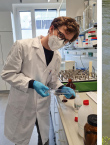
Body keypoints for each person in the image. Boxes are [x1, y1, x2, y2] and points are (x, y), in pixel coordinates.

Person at [1, 17, 78, 145]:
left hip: (42, 105)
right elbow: (7, 73)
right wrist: (32, 83)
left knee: (44, 139)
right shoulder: (22, 46)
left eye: (66, 40)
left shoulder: (57, 56)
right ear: (51, 28)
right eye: (61, 35)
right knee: (21, 141)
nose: (61, 41)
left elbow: (52, 80)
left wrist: (61, 87)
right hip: (23, 104)